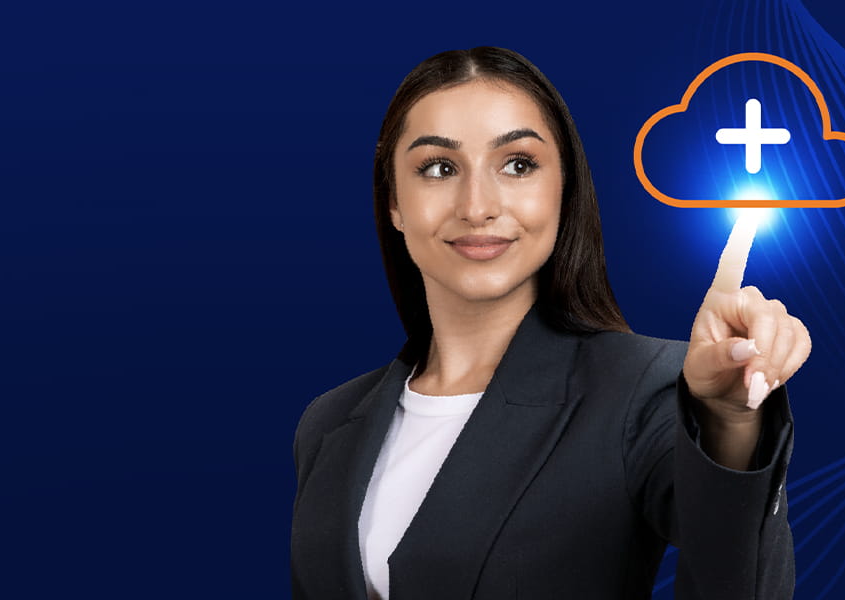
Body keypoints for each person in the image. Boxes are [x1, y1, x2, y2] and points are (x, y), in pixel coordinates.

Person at [290, 47, 808, 600]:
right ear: (394, 200)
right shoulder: (330, 421)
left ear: (564, 188)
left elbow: (739, 584)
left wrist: (728, 423)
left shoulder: (642, 390)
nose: (478, 206)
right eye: (438, 168)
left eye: (517, 165)